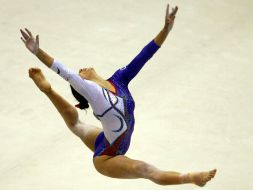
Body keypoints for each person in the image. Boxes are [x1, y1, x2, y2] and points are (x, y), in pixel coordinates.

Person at [21, 4, 216, 187]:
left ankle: (47, 90)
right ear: (83, 84)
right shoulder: (95, 94)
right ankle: (191, 178)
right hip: (107, 157)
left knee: (76, 125)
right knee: (145, 170)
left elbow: (145, 55)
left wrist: (165, 30)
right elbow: (66, 72)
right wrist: (38, 52)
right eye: (81, 73)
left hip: (106, 140)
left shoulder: (119, 78)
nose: (82, 68)